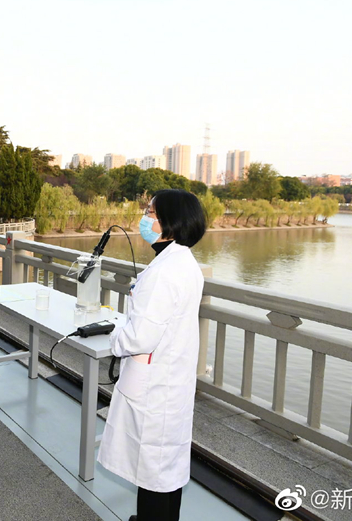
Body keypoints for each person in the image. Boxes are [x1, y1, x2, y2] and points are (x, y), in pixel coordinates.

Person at [97, 189, 207, 521]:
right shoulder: (183, 262)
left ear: (170, 221)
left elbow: (140, 337)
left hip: (156, 387)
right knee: (166, 468)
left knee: (153, 471)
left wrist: (116, 339)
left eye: (150, 213)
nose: (144, 218)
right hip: (170, 380)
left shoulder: (164, 272)